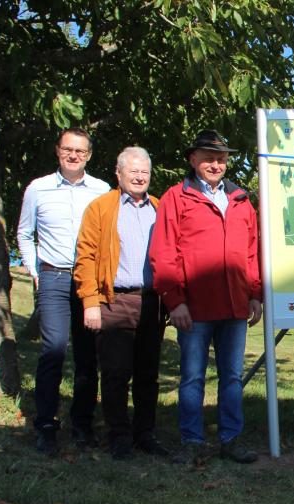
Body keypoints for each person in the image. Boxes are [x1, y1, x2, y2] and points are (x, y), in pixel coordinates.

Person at [149, 129, 263, 464]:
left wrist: (255, 293)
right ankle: (192, 441)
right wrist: (175, 301)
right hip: (194, 309)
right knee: (193, 376)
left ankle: (230, 439)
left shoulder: (241, 201)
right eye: (208, 157)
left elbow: (251, 252)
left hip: (234, 306)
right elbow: (164, 253)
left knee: (231, 376)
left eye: (221, 158)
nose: (215, 164)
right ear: (192, 159)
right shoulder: (176, 197)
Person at [17, 128, 110, 456]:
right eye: (68, 150)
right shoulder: (38, 188)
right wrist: (35, 270)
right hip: (53, 278)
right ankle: (45, 424)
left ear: (89, 155)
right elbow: (25, 233)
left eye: (80, 151)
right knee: (53, 349)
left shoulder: (101, 190)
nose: (74, 155)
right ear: (58, 151)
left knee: (88, 355)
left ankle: (82, 424)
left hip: (89, 281)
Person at [74, 147, 169, 460]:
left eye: (144, 173)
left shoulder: (159, 208)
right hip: (115, 300)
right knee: (115, 372)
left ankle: (145, 434)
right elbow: (85, 257)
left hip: (152, 301)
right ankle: (119, 435)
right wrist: (90, 302)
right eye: (133, 172)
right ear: (119, 174)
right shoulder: (101, 208)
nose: (140, 177)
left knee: (148, 373)